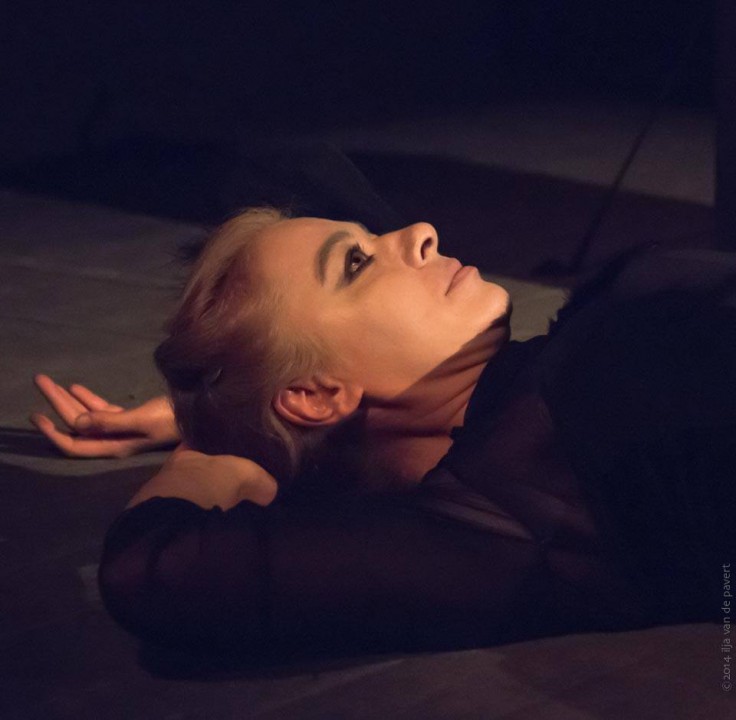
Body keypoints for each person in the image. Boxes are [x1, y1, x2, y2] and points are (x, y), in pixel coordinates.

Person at [31, 206, 736, 660]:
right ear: (314, 395)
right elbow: (151, 572)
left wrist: (231, 419)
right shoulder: (506, 504)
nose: (421, 231)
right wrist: (212, 447)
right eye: (356, 263)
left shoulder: (545, 397)